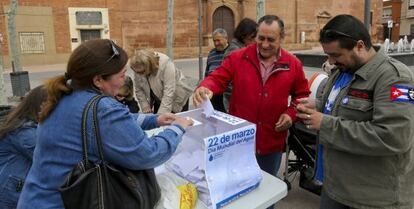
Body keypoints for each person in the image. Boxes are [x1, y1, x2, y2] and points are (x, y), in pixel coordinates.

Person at [16, 39, 193, 209]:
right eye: (122, 75)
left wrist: (154, 119)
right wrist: (178, 128)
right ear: (98, 80)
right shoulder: (102, 109)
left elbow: (109, 124)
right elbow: (148, 154)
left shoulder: (65, 93)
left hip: (35, 198)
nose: (125, 81)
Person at [296, 14, 414, 209]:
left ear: (359, 46)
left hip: (372, 199)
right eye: (328, 55)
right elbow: (345, 107)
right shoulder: (341, 71)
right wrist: (317, 105)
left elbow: (395, 137)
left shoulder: (396, 78)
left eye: (336, 55)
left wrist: (325, 123)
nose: (331, 62)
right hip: (335, 187)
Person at [194, 14, 310, 180]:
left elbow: (302, 95)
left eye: (271, 39)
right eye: (260, 38)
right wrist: (205, 87)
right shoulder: (237, 58)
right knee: (237, 188)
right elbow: (217, 78)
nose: (264, 44)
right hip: (238, 140)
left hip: (271, 142)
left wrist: (291, 114)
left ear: (282, 38)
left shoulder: (293, 64)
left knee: (266, 192)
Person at [0, 86, 47, 209]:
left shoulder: (22, 124)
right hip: (10, 195)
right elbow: (49, 157)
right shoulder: (24, 132)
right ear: (41, 106)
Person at [130, 49, 193, 114]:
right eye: (136, 72)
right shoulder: (137, 65)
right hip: (158, 96)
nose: (138, 74)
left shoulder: (166, 64)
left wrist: (161, 115)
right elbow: (139, 88)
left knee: (176, 121)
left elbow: (169, 91)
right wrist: (145, 105)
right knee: (158, 121)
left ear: (148, 67)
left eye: (141, 72)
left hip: (177, 97)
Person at [223, 18, 258, 111]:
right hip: (235, 101)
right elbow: (228, 80)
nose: (255, 41)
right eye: (252, 38)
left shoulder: (243, 47)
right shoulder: (234, 51)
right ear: (243, 36)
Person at [204, 28, 229, 112]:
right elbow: (207, 73)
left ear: (226, 39)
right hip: (212, 94)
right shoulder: (211, 53)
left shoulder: (232, 52)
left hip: (226, 95)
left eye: (218, 40)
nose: (216, 43)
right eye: (214, 41)